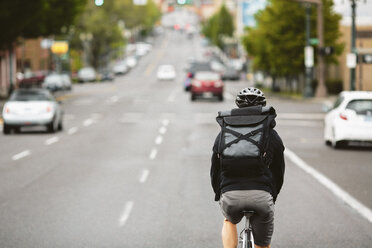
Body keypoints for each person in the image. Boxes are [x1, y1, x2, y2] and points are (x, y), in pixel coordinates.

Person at [210, 87, 285, 248]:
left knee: (229, 220)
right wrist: (273, 194)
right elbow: (279, 170)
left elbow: (215, 168)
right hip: (261, 196)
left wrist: (219, 192)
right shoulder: (270, 133)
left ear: (237, 107)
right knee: (262, 245)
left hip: (230, 195)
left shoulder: (225, 132)